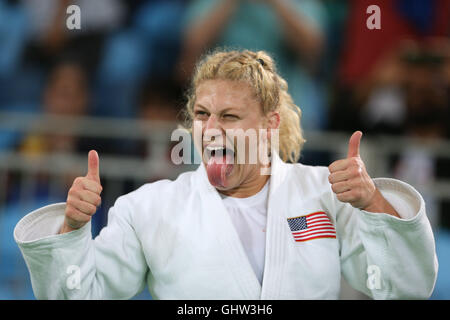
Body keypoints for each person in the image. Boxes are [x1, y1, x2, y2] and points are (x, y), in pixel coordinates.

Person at [14, 50, 437, 299]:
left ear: (270, 124)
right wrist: (72, 228)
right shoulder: (149, 207)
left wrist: (374, 204)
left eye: (230, 116)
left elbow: (407, 285)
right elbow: (81, 293)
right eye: (201, 114)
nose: (211, 129)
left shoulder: (323, 193)